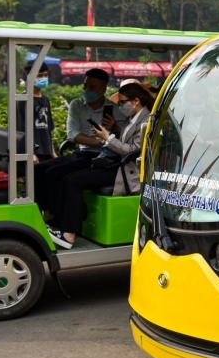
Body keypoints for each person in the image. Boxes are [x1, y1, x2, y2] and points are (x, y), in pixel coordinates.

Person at [47, 83, 152, 250]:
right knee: (68, 178)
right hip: (116, 164)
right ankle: (60, 226)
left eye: (122, 102)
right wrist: (108, 134)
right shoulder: (131, 119)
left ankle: (68, 235)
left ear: (135, 101)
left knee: (75, 182)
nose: (120, 106)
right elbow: (122, 143)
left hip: (128, 171)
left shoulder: (147, 121)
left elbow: (132, 150)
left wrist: (107, 138)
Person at [34, 68, 128, 222]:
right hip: (81, 152)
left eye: (92, 87)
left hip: (101, 157)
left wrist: (115, 129)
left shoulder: (116, 110)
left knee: (55, 173)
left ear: (103, 89)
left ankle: (55, 216)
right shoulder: (77, 105)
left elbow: (123, 141)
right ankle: (44, 211)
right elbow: (73, 135)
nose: (87, 90)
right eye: (85, 86)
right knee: (38, 170)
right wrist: (102, 140)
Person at [16, 62, 56, 165]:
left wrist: (53, 151)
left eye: (46, 75)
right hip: (34, 154)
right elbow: (20, 130)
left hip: (47, 152)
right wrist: (31, 153)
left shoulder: (45, 99)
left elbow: (48, 130)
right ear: (30, 77)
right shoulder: (22, 100)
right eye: (40, 75)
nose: (43, 78)